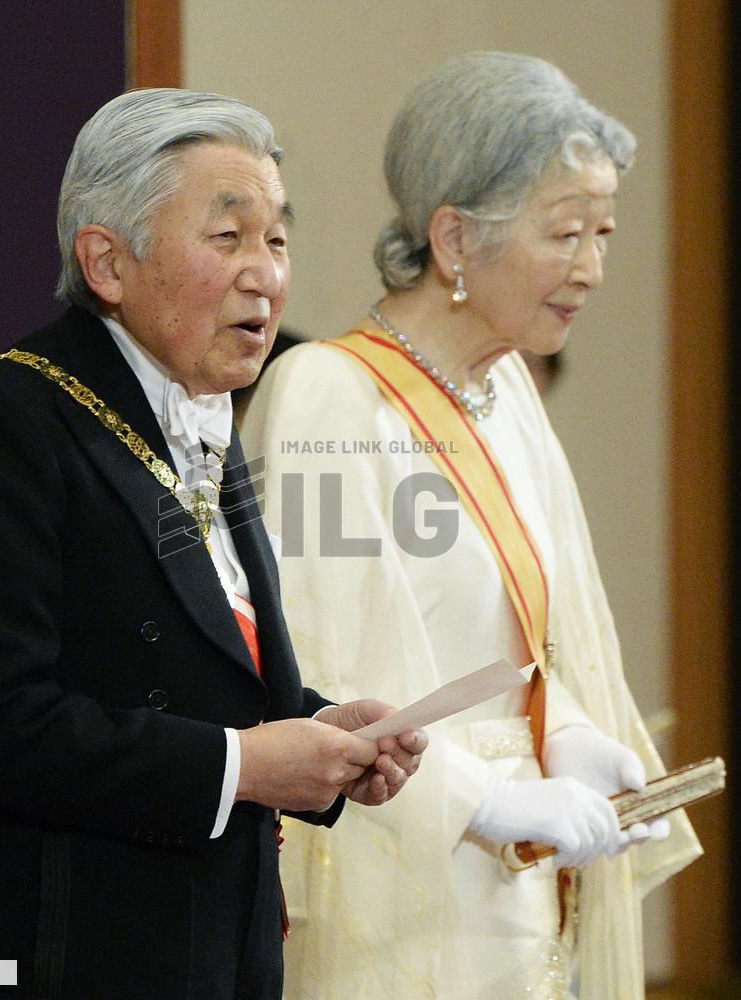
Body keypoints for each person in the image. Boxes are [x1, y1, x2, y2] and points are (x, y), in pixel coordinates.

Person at [0, 89, 427, 1000]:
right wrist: (244, 766)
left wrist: (317, 727)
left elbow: (184, 667)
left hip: (218, 951)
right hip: (57, 956)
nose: (265, 275)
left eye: (277, 239)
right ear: (107, 262)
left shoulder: (201, 419)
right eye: (228, 237)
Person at [240, 52, 701, 999]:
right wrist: (485, 797)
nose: (592, 269)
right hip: (401, 885)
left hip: (524, 885)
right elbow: (317, 670)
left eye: (603, 233)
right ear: (453, 238)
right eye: (564, 233)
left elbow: (523, 640)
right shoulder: (329, 395)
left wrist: (567, 732)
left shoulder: (506, 394)